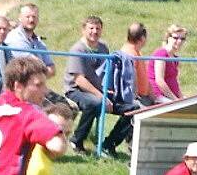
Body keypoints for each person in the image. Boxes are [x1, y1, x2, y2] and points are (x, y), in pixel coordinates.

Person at [101, 22, 152, 157]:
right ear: (142, 38)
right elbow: (128, 83)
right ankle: (109, 144)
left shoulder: (135, 52)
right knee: (136, 109)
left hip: (141, 97)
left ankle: (135, 147)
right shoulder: (129, 54)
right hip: (127, 99)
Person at [64, 16, 110, 155]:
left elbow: (106, 72)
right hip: (75, 90)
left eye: (98, 28)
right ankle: (77, 140)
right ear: (83, 30)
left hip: (98, 90)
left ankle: (109, 144)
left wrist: (109, 90)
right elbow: (79, 80)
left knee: (129, 106)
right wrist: (101, 96)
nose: (94, 31)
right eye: (91, 28)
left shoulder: (103, 48)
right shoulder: (77, 50)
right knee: (95, 103)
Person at [5, 3, 55, 78]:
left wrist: (40, 74)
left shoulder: (38, 42)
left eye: (34, 17)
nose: (31, 20)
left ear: (38, 19)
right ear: (20, 18)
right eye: (27, 17)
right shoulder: (15, 38)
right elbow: (33, 64)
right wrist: (43, 71)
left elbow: (52, 68)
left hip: (36, 84)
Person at [148, 24, 187, 104]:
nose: (179, 41)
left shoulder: (175, 58)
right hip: (158, 96)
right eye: (175, 38)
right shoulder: (161, 54)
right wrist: (175, 99)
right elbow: (159, 81)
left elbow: (174, 81)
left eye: (182, 38)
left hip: (170, 96)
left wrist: (181, 97)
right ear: (168, 38)